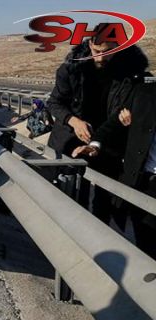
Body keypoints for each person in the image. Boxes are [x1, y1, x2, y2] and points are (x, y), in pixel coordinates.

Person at [46, 23, 149, 223]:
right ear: (90, 44)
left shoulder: (131, 73)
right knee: (71, 196)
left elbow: (143, 100)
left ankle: (100, 238)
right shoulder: (70, 70)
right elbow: (54, 103)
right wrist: (74, 121)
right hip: (70, 141)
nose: (100, 57)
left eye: (108, 52)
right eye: (96, 51)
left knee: (105, 201)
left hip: (107, 142)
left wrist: (132, 114)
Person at [72, 77, 156, 259]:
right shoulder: (143, 93)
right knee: (147, 247)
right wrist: (94, 146)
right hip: (146, 184)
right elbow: (112, 126)